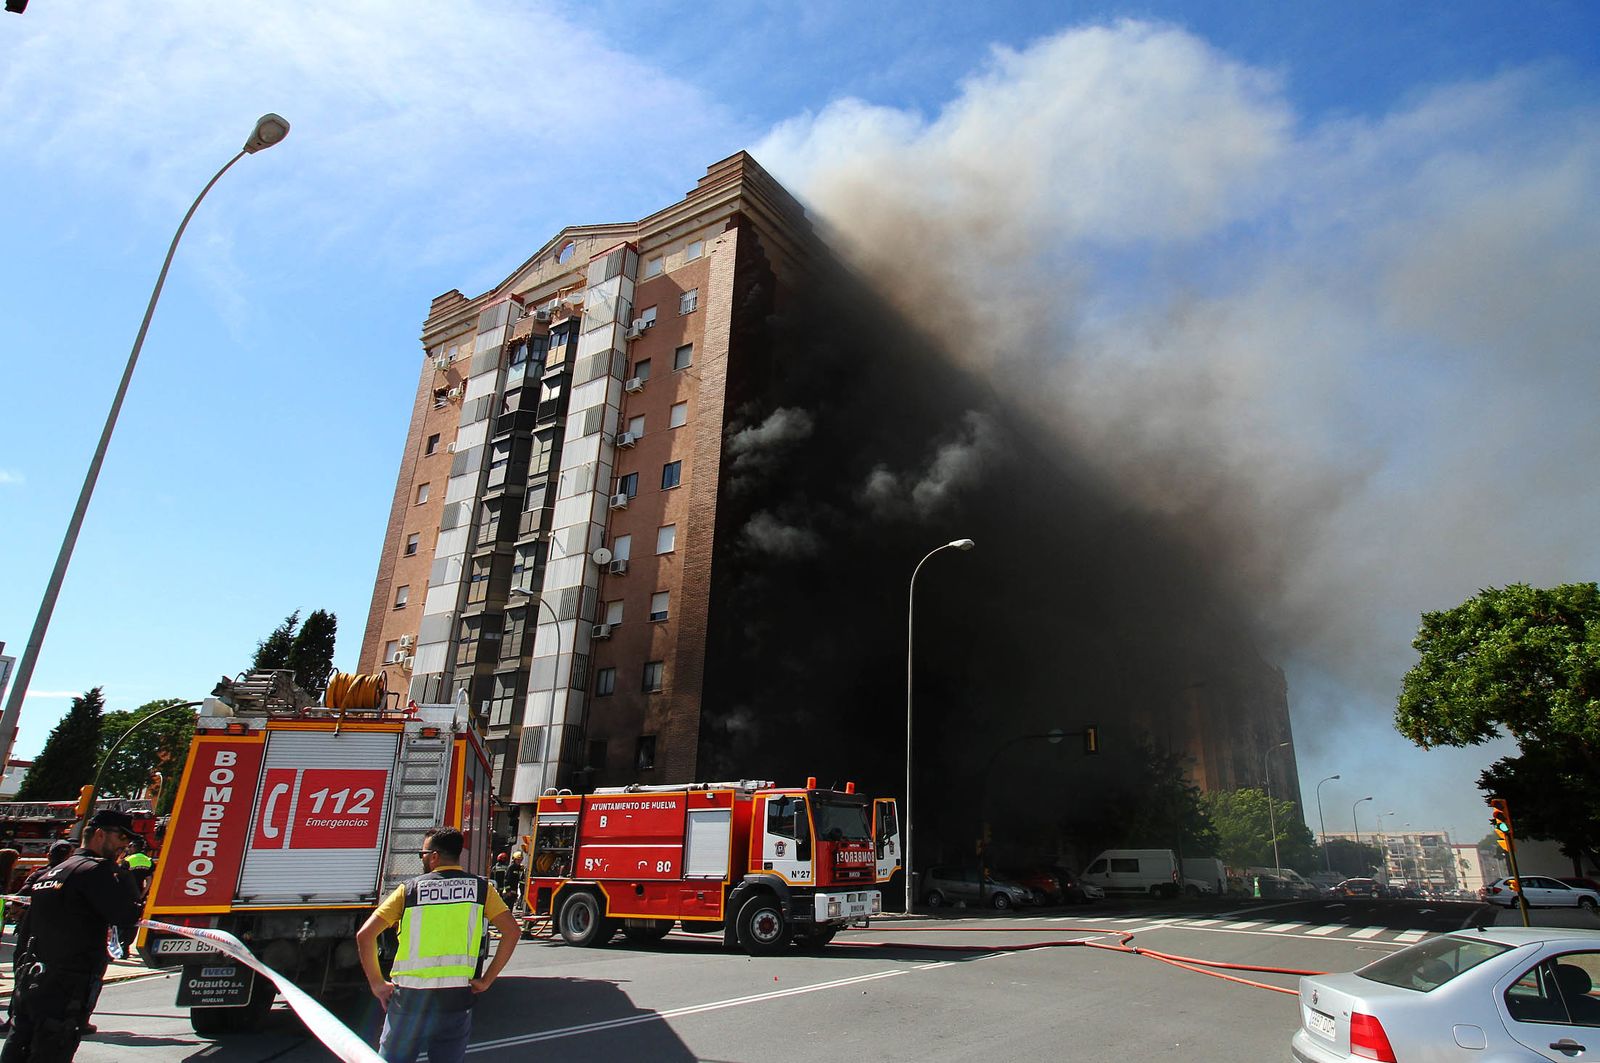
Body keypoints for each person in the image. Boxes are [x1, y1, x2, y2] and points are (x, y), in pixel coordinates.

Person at [356, 827, 518, 1063]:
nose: (421, 858)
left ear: (434, 856)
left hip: (409, 1000)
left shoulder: (409, 890)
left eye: (422, 854)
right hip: (456, 1000)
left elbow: (365, 935)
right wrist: (486, 981)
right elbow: (512, 932)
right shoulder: (481, 889)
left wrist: (378, 985)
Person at [2, 811, 141, 1062]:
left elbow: (28, 928)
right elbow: (126, 915)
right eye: (122, 837)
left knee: (18, 1045)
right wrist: (124, 875)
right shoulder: (96, 871)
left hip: (33, 977)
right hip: (67, 983)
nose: (125, 845)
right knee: (52, 1050)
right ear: (100, 835)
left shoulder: (53, 872)